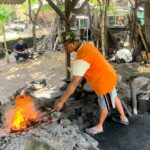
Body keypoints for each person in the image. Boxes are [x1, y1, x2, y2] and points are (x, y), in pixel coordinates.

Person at [54, 31, 129, 135]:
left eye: (65, 45)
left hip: (103, 82)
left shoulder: (81, 58)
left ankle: (99, 126)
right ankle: (123, 117)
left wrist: (61, 101)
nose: (65, 49)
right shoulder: (86, 45)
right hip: (110, 75)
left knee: (104, 104)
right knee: (114, 96)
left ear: (73, 43)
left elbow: (74, 83)